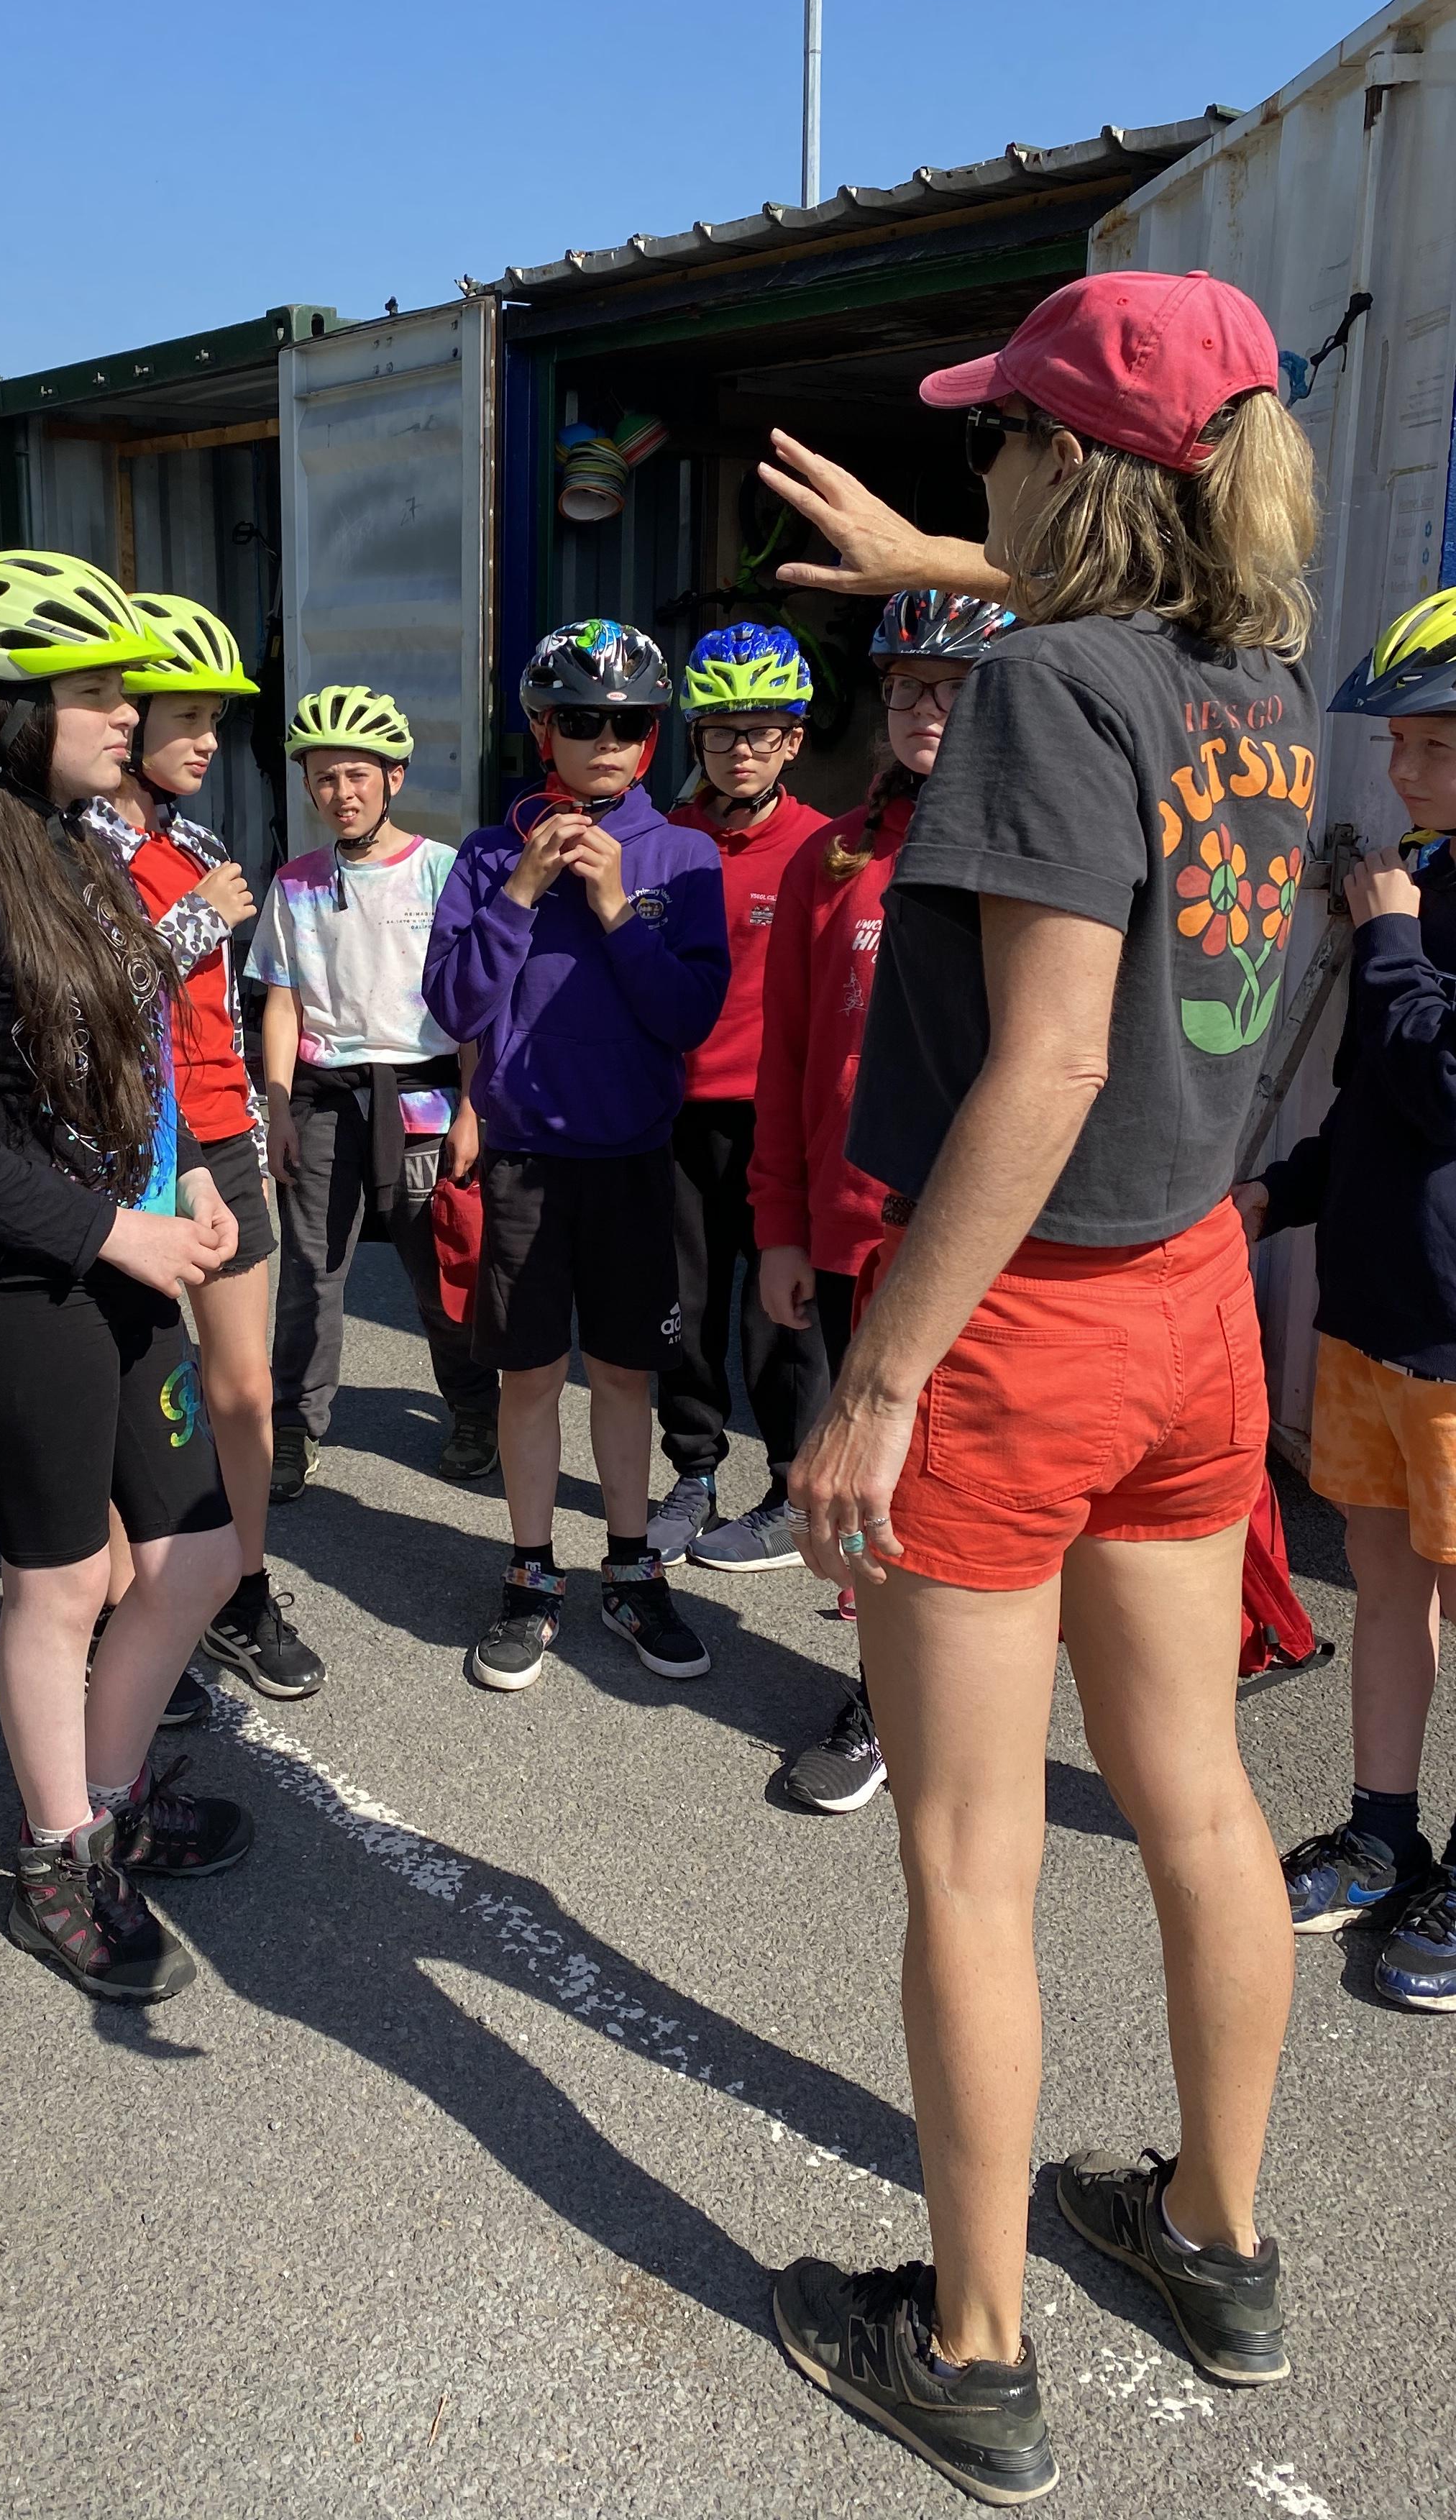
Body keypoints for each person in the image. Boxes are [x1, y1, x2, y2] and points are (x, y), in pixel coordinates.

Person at [772, 272, 1317, 2503]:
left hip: (1019, 1322)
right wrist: (940, 562)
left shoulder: (1037, 700)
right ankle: (1219, 2239)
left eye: (999, 436)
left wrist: (880, 1379)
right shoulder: (1259, 679)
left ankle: (974, 2352)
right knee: (1197, 1799)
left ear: (1070, 467)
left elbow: (1053, 1058)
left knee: (971, 1860)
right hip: (1192, 1302)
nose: (977, 460)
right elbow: (1137, 617)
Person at [0, 551, 253, 2009]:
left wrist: (187, 1171)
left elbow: (128, 1049)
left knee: (196, 1558)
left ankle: (106, 1801)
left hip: (117, 1255)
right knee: (61, 1582)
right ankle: (56, 1861)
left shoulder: (80, 854)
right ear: (1, 714)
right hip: (16, 1290)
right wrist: (113, 1232)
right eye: (94, 691)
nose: (126, 712)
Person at [749, 590, 1018, 1816]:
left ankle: (977, 1699)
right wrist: (779, 1224)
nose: (923, 706)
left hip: (992, 1240)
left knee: (987, 1495)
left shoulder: (1038, 852)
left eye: (953, 687)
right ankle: (886, 1695)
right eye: (907, 684)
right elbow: (788, 1058)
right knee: (879, 1492)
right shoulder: (832, 858)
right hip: (856, 1232)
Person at [424, 620, 731, 1692]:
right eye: (585, 721)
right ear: (542, 728)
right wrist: (520, 893)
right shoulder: (487, 854)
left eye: (632, 725)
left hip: (636, 1159)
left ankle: (632, 1567)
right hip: (523, 1158)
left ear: (653, 738)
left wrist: (612, 909)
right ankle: (530, 1572)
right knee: (528, 1374)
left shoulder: (683, 855)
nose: (608, 742)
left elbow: (688, 1017)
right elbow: (454, 1004)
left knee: (625, 1373)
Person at [1242, 584, 1456, 2009]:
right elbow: (1376, 1103)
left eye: (1432, 744)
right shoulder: (1423, 881)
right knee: (1386, 1590)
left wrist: (1384, 936)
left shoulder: (1407, 909)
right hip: (1374, 1309)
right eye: (1396, 743)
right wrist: (1282, 1192)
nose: (1401, 770)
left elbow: (1441, 1082)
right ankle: (1384, 1835)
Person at [85, 590, 325, 1699]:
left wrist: (256, 1126)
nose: (207, 741)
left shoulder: (202, 843)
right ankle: (134, 1610)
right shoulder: (71, 846)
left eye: (216, 721)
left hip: (222, 1138)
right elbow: (88, 997)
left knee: (242, 1389)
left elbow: (221, 1018)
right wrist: (195, 923)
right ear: (127, 714)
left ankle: (240, 1590)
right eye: (188, 717)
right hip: (130, 1148)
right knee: (133, 1399)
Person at [247, 684, 500, 1500]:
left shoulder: (443, 871)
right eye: (324, 777)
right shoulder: (295, 884)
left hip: (425, 1098)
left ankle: (474, 1411)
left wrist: (473, 1110)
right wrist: (277, 1110)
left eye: (357, 774)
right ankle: (294, 1426)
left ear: (395, 777)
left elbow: (473, 1008)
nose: (341, 793)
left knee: (440, 1269)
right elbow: (281, 1002)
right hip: (325, 1100)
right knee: (310, 1276)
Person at [646, 623, 830, 1565]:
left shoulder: (826, 849)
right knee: (683, 1302)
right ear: (697, 738)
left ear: (793, 738)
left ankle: (793, 1488)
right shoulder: (665, 842)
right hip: (676, 1111)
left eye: (761, 730)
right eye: (722, 731)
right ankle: (693, 1470)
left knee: (780, 1312)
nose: (741, 749)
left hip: (777, 1117)